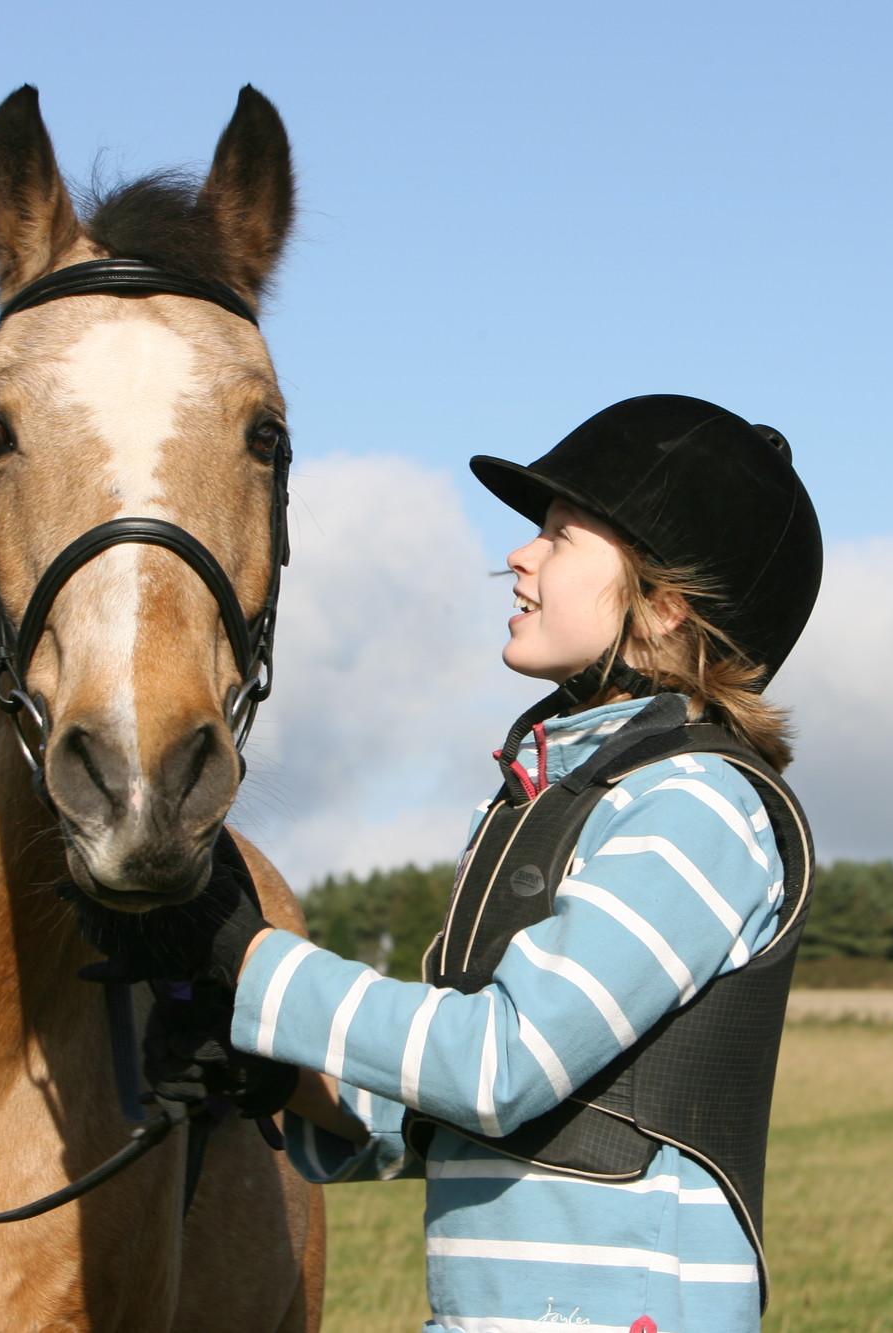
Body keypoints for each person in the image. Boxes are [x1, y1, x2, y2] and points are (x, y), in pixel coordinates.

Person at [150, 394, 823, 1333]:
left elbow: (500, 1064)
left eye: (560, 535)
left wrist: (244, 955)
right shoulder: (549, 802)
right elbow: (447, 1115)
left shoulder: (697, 805)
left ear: (666, 606)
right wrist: (273, 1077)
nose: (520, 553)